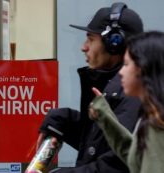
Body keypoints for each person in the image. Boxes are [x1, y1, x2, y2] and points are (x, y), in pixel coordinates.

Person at [37, 2, 144, 173]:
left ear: (114, 43)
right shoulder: (115, 86)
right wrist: (62, 120)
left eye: (91, 39)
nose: (83, 47)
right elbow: (98, 144)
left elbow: (117, 166)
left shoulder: (135, 94)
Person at [89, 31, 164, 173]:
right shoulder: (151, 117)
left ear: (143, 68)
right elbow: (136, 159)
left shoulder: (158, 124)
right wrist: (104, 117)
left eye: (126, 64)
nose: (121, 72)